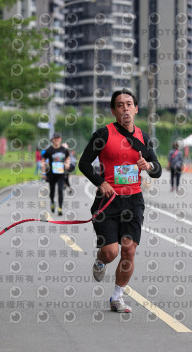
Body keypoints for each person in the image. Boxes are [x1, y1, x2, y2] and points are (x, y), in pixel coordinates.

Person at [79, 89, 162, 313]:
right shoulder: (103, 135)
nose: (125, 108)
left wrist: (150, 166)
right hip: (108, 200)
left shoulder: (143, 138)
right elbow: (84, 164)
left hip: (133, 201)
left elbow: (157, 170)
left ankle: (117, 297)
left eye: (129, 104)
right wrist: (101, 182)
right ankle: (100, 261)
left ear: (136, 108)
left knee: (129, 251)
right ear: (114, 111)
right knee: (111, 252)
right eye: (120, 105)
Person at [41, 132, 70, 216]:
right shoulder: (49, 150)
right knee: (52, 191)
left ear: (60, 139)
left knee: (60, 190)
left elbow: (68, 157)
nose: (57, 140)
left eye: (58, 138)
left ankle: (60, 208)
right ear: (52, 140)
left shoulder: (64, 150)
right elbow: (43, 159)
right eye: (55, 138)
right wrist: (43, 172)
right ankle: (52, 202)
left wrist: (67, 163)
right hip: (51, 174)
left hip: (61, 174)